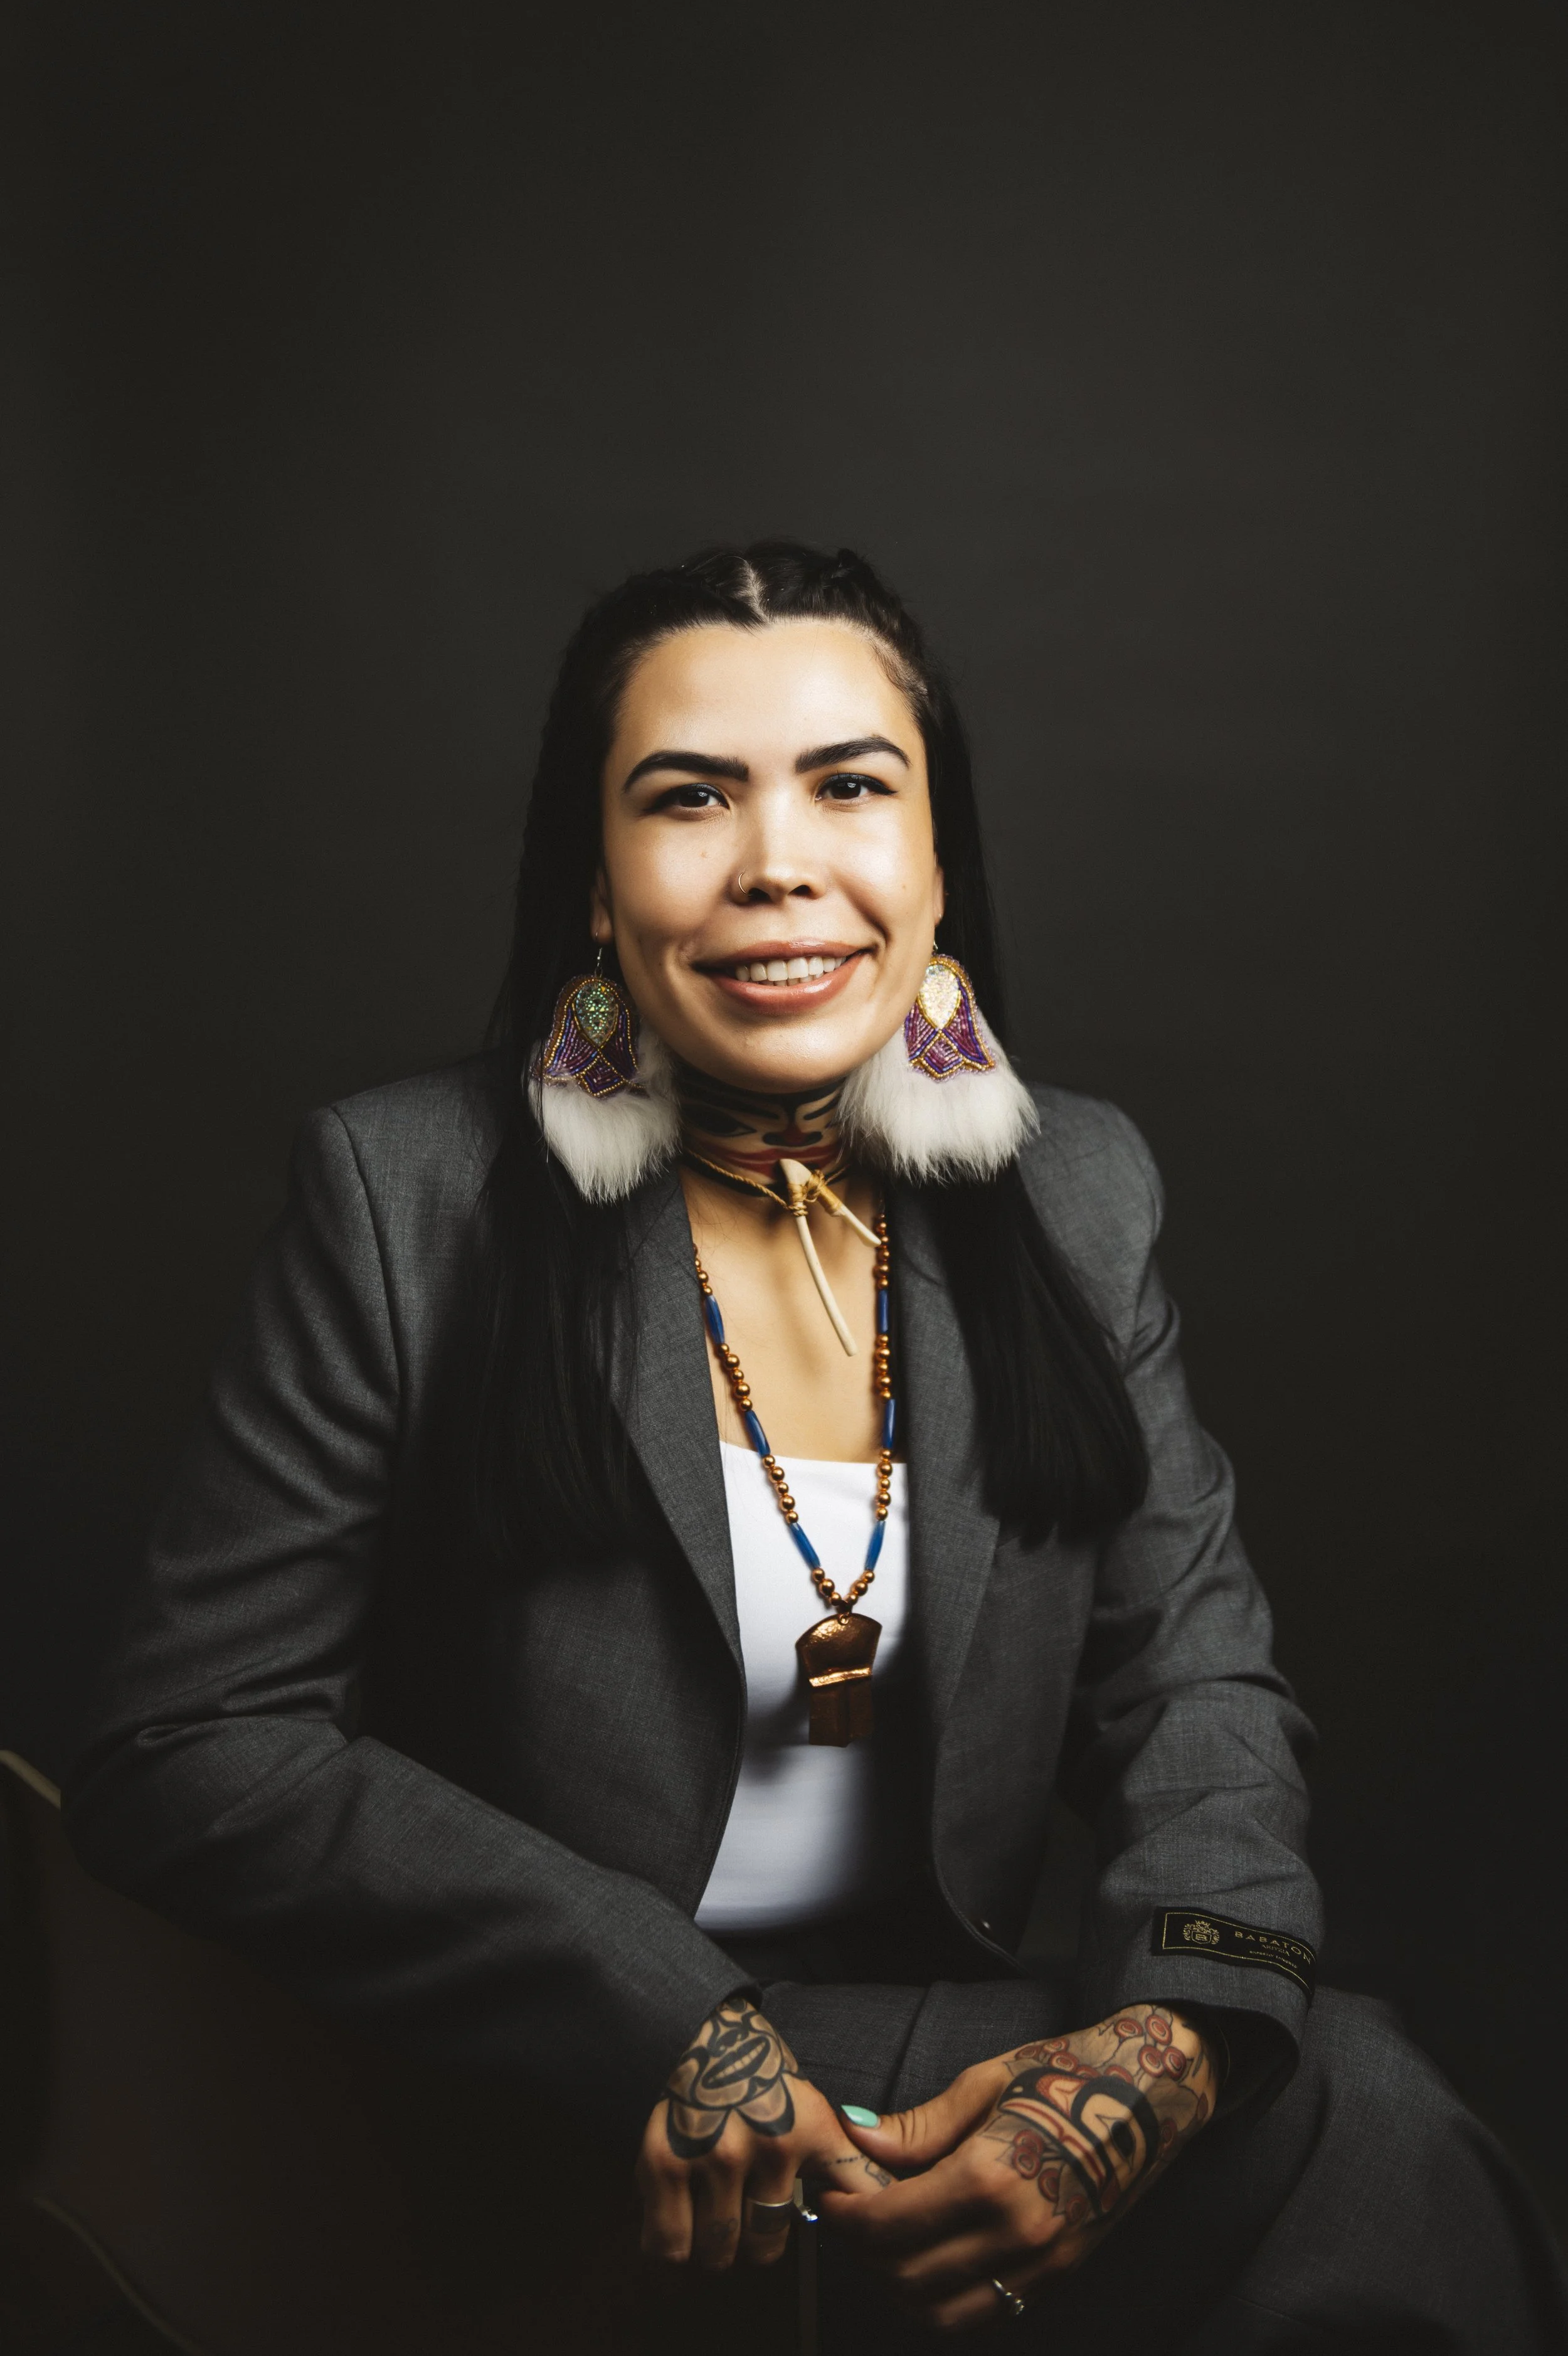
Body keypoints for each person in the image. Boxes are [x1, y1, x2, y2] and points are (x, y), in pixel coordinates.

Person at [65, 543, 1566, 2352]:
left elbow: (1201, 1698)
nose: (780, 858)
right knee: (1371, 2124)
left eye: (851, 785)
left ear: (936, 866)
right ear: (597, 888)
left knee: (1319, 2101)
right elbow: (189, 1742)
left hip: (949, 2029)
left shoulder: (1077, 1194)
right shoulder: (408, 1198)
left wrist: (1167, 2040)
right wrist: (663, 2008)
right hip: (553, 2093)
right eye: (688, 798)